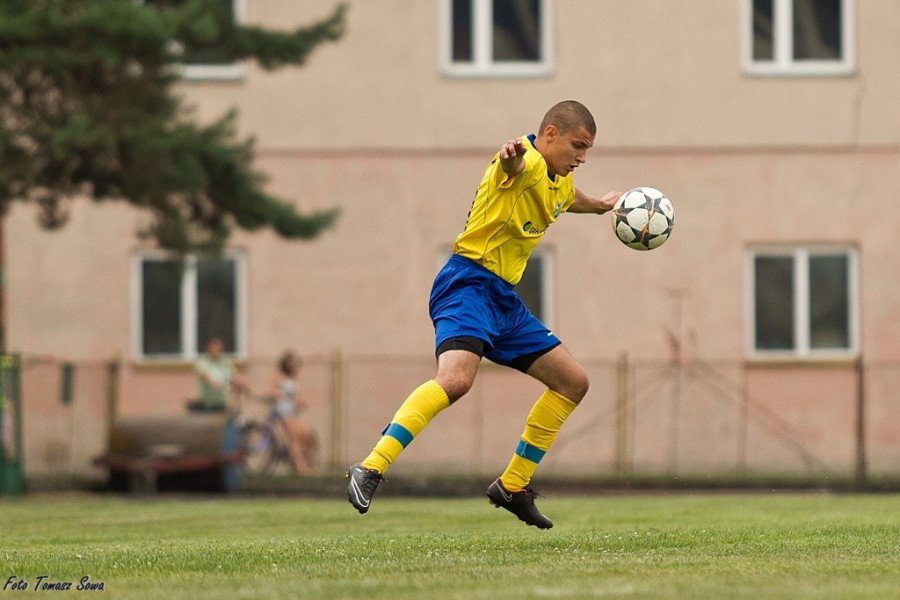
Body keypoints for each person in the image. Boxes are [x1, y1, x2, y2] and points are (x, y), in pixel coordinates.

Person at [346, 100, 622, 529]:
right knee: (455, 380)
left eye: (588, 150)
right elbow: (510, 169)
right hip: (467, 285)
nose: (582, 157)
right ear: (550, 134)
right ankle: (371, 467)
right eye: (578, 146)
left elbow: (571, 200)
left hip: (503, 299)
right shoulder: (523, 160)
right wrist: (509, 160)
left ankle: (513, 486)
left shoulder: (559, 181)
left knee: (573, 383)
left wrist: (602, 206)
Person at [268, 351, 318, 475]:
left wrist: (300, 403)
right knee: (294, 438)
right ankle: (301, 468)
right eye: (291, 363)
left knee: (308, 436)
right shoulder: (279, 376)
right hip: (282, 411)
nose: (293, 365)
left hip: (292, 412)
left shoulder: (295, 378)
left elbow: (297, 396)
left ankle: (309, 463)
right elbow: (272, 391)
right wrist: (282, 395)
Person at [194, 337, 248, 412]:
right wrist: (224, 385)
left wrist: (240, 383)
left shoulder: (225, 363)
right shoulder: (202, 363)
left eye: (219, 349)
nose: (217, 351)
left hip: (223, 404)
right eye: (214, 349)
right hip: (207, 405)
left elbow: (236, 377)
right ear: (209, 349)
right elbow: (209, 380)